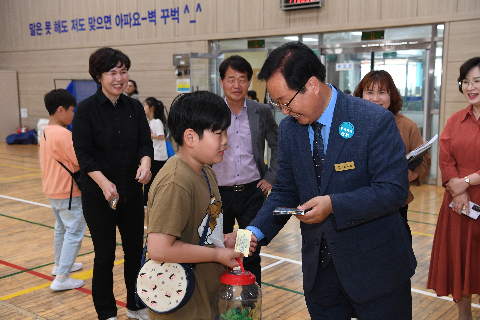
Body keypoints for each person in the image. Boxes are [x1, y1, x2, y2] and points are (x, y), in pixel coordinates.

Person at [246, 42, 416, 319]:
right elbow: (285, 190)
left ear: (312, 84)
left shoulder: (373, 120)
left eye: (286, 102)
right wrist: (254, 232)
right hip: (321, 273)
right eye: (277, 104)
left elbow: (393, 190)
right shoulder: (290, 130)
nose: (284, 111)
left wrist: (334, 204)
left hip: (376, 271)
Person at [146, 91, 252, 320]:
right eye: (218, 133)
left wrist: (224, 240)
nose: (225, 140)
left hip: (206, 301)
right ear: (190, 137)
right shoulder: (176, 182)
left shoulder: (206, 172)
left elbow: (202, 232)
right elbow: (159, 248)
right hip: (182, 308)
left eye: (226, 131)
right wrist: (217, 256)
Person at [72, 47, 153, 320]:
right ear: (98, 76)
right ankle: (106, 312)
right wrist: (104, 183)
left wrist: (145, 163)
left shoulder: (134, 107)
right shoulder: (85, 110)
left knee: (134, 254)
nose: (119, 78)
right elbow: (83, 154)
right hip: (99, 196)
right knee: (104, 257)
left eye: (123, 71)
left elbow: (145, 143)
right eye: (112, 72)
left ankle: (135, 304)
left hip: (130, 194)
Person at [212, 55, 279, 285]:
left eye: (242, 79)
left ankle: (250, 301)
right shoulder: (211, 111)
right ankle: (221, 301)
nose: (236, 85)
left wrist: (271, 176)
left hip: (252, 192)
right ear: (221, 82)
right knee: (217, 248)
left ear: (249, 82)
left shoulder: (261, 111)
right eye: (231, 79)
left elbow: (278, 145)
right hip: (218, 195)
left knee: (248, 250)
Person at [427, 57, 480, 320]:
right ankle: (464, 315)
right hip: (459, 205)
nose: (470, 87)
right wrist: (456, 189)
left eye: (477, 81)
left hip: (469, 194)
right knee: (461, 260)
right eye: (466, 82)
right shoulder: (455, 120)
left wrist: (467, 182)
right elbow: (445, 158)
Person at [354, 70, 431, 239]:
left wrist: (414, 174)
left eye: (382, 92)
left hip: (395, 204)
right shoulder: (350, 125)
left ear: (391, 95)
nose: (375, 98)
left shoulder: (407, 125)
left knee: (396, 256)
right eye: (369, 92)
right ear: (360, 96)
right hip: (359, 203)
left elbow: (424, 158)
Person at [39, 89, 86, 291]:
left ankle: (60, 265)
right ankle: (62, 277)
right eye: (72, 110)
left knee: (61, 229)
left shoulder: (45, 130)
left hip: (52, 189)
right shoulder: (64, 134)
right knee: (74, 232)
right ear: (61, 110)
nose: (73, 114)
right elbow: (78, 162)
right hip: (68, 191)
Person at [143, 97, 168, 206]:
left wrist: (147, 135)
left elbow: (161, 137)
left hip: (158, 155)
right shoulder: (152, 121)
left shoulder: (157, 122)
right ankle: (148, 201)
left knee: (151, 179)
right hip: (155, 154)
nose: (143, 108)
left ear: (151, 108)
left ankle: (147, 202)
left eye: (145, 105)